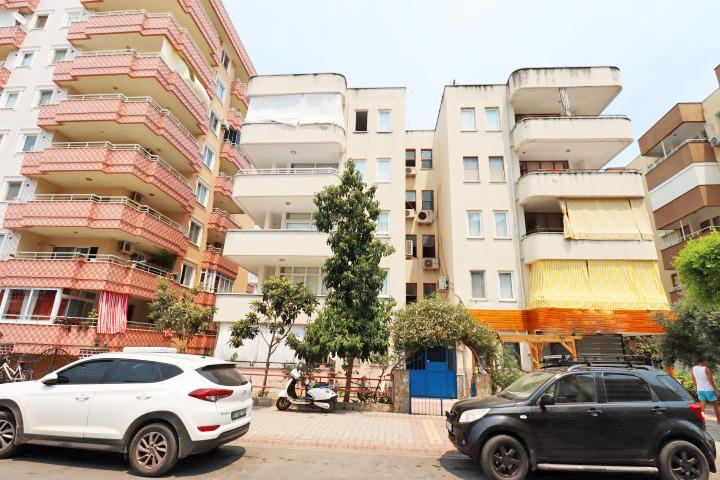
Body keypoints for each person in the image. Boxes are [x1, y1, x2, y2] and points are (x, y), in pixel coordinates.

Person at [692, 358, 720, 425]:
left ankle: (701, 421)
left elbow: (693, 379)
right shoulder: (706, 369)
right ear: (704, 361)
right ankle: (719, 421)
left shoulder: (693, 368)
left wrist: (696, 389)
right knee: (715, 406)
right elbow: (711, 381)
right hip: (709, 390)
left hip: (700, 389)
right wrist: (716, 390)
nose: (707, 363)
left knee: (702, 407)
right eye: (707, 361)